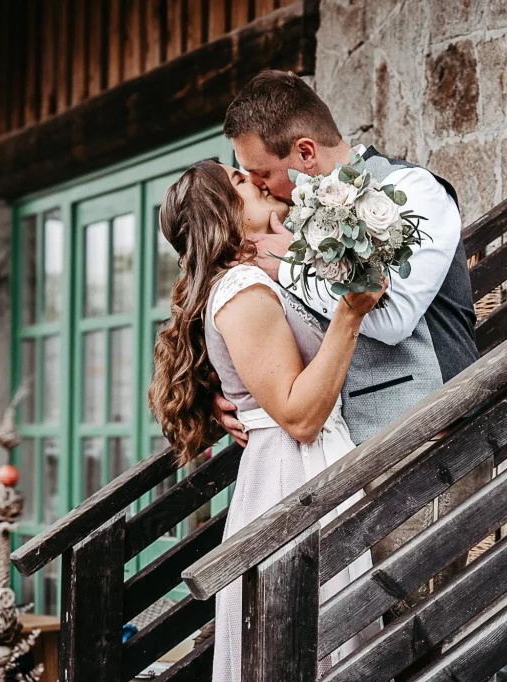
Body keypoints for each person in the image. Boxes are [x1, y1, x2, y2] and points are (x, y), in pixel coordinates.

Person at [217, 70, 487, 624]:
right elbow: (267, 316)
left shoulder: (414, 193)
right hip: (339, 460)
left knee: (423, 628)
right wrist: (229, 391)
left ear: (305, 152)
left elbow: (390, 318)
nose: (260, 187)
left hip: (422, 447)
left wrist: (288, 263)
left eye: (263, 173)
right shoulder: (291, 218)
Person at [148, 160, 383, 681]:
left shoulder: (248, 280)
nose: (252, 179)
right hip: (291, 474)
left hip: (299, 468)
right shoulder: (240, 291)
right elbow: (299, 416)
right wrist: (350, 313)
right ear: (221, 212)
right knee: (301, 638)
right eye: (236, 180)